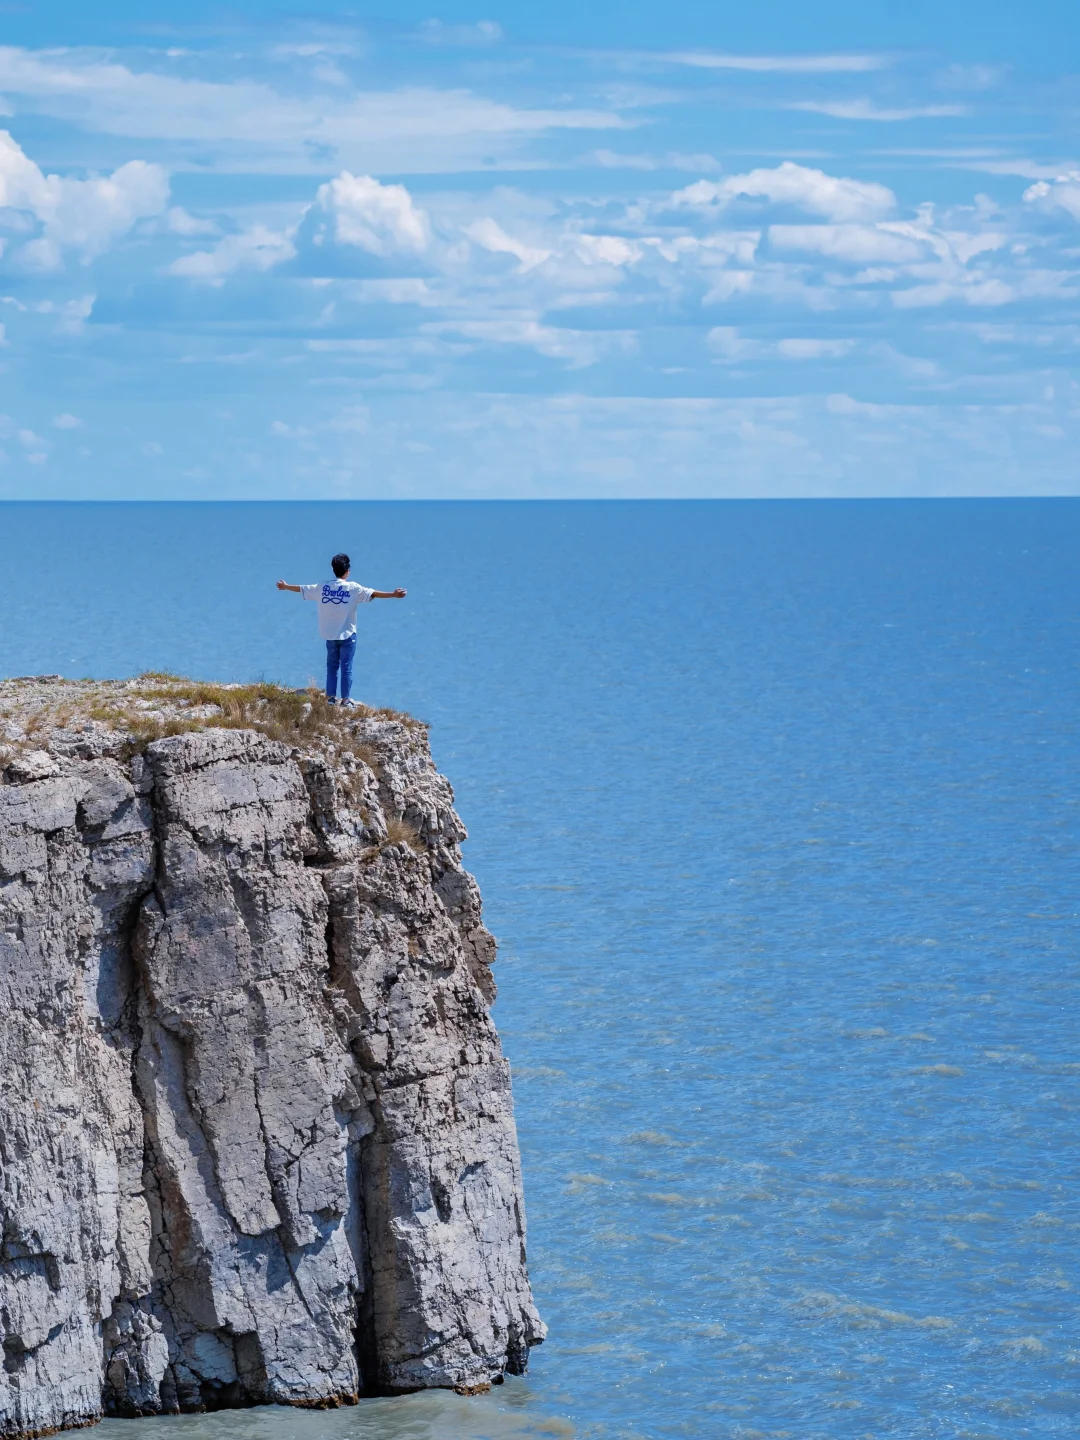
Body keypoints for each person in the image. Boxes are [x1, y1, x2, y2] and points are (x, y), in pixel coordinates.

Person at [277, 553, 406, 706]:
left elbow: (302, 588)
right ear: (347, 571)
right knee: (346, 668)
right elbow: (374, 593)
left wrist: (285, 587)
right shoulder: (353, 588)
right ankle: (345, 700)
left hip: (329, 635)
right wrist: (394, 594)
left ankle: (330, 698)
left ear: (333, 569)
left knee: (331, 667)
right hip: (347, 635)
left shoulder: (323, 587)